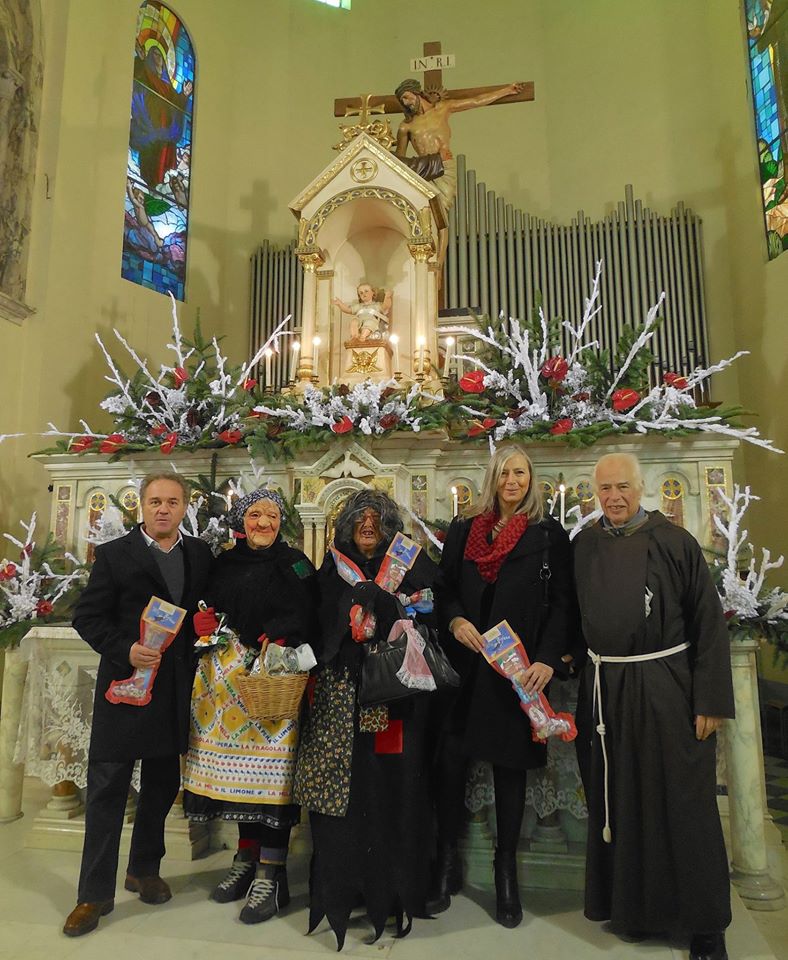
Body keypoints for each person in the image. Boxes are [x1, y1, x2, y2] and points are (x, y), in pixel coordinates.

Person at [573, 452, 734, 960]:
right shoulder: (584, 545)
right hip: (605, 690)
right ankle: (636, 911)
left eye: (623, 487)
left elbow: (708, 623)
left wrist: (708, 700)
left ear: (640, 488)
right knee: (621, 800)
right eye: (605, 490)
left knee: (683, 802)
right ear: (594, 494)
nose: (614, 498)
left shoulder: (674, 542)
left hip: (667, 685)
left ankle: (705, 925)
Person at [63, 472, 212, 937]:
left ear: (185, 507)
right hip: (125, 689)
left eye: (172, 501)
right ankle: (93, 895)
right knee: (107, 790)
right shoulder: (114, 555)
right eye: (154, 501)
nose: (163, 509)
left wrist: (207, 627)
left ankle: (144, 869)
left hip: (172, 691)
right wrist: (124, 648)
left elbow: (202, 613)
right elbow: (87, 617)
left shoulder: (200, 555)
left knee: (163, 785)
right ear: (141, 508)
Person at [434, 443, 575, 927]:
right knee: (450, 763)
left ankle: (505, 871)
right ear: (492, 479)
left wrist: (548, 660)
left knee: (510, 769)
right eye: (504, 473)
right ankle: (446, 862)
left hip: (515, 670)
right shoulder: (464, 530)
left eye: (521, 473)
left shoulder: (546, 533)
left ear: (531, 480)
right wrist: (454, 621)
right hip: (466, 665)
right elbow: (444, 589)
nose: (512, 481)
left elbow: (561, 602)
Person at [293, 489, 440, 949]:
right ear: (347, 525)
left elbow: (436, 609)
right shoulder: (332, 568)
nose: (369, 526)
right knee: (342, 796)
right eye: (361, 518)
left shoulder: (409, 561)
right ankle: (344, 889)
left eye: (377, 519)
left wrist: (394, 609)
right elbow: (312, 622)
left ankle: (390, 891)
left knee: (389, 791)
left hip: (393, 700)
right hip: (340, 700)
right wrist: (350, 613)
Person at [183, 487, 317, 924]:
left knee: (270, 778)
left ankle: (271, 872)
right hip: (225, 685)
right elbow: (207, 608)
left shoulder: (295, 561)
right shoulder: (224, 562)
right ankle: (246, 858)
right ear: (242, 520)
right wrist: (203, 623)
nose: (264, 522)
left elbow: (311, 611)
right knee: (238, 781)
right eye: (255, 514)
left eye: (272, 515)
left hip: (271, 681)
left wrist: (281, 631)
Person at [394, 77, 526, 264]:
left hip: (444, 167)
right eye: (403, 101)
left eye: (407, 97)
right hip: (422, 171)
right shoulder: (405, 126)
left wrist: (506, 90)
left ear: (417, 93)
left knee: (441, 213)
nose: (406, 103)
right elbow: (399, 160)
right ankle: (427, 259)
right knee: (425, 214)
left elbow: (475, 101)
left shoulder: (443, 108)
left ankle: (438, 261)